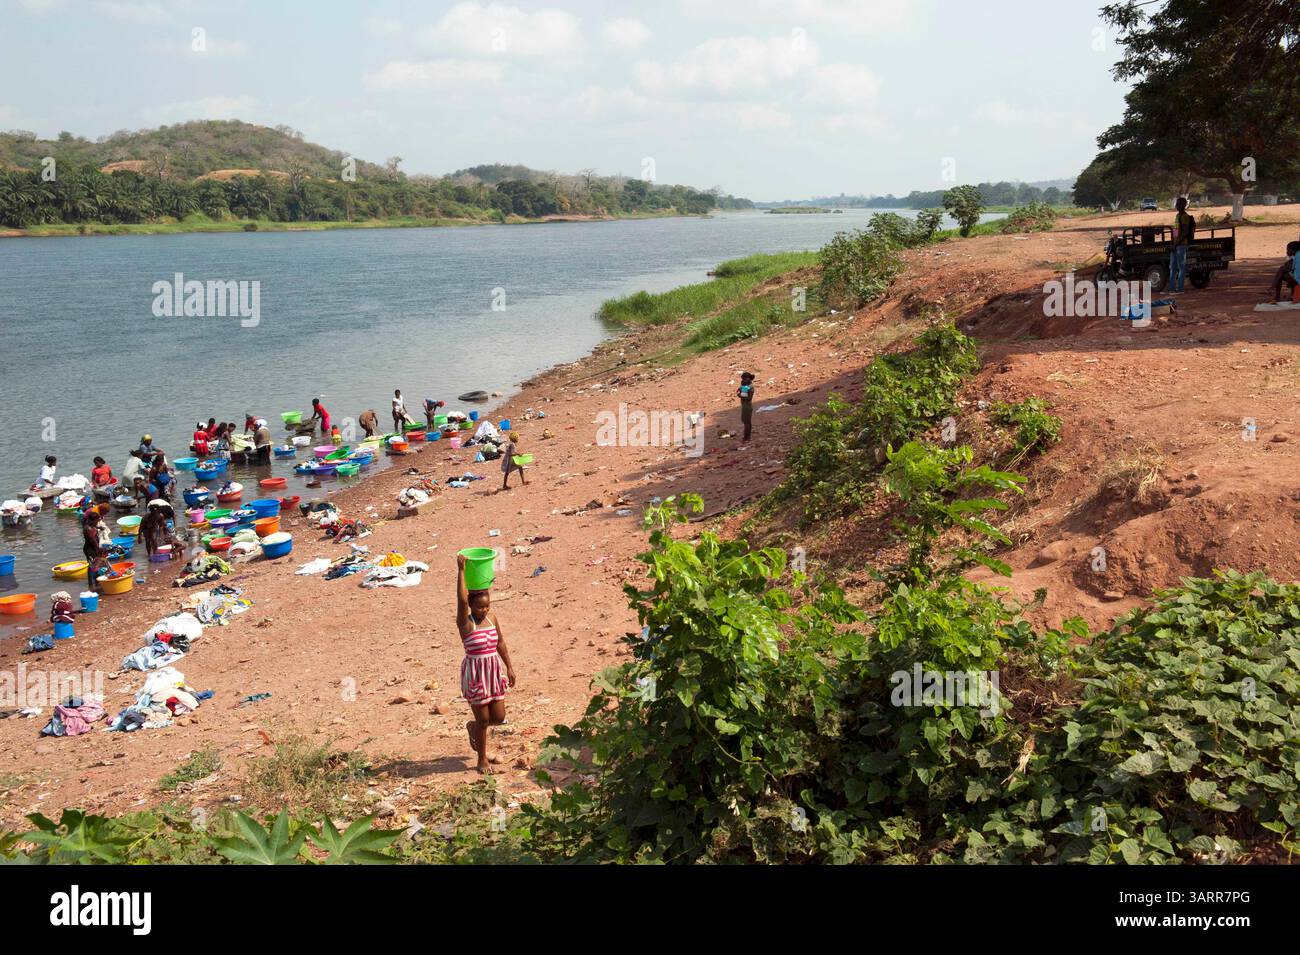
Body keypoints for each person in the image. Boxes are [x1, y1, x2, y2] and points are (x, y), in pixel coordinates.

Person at [456, 552, 517, 773]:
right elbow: (461, 600)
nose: (485, 610)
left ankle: (473, 727)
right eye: (480, 607)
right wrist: (461, 571)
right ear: (472, 607)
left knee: (498, 717)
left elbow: (500, 642)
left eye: (487, 606)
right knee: (483, 719)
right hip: (476, 673)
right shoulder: (466, 623)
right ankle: (482, 760)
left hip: (493, 671)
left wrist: (509, 667)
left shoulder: (492, 619)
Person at [1169, 196, 1195, 293]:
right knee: (1172, 267)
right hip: (1176, 245)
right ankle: (1172, 288)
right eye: (1177, 203)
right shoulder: (1177, 216)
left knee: (1181, 267)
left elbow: (1185, 232)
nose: (1177, 205)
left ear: (1184, 205)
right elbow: (1176, 232)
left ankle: (1180, 288)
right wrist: (1173, 243)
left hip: (1181, 245)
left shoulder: (1184, 217)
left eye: (1179, 204)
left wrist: (1175, 244)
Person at [82, 509, 108, 595]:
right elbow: (93, 541)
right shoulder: (87, 529)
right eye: (97, 521)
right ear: (92, 520)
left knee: (97, 564)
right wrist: (99, 549)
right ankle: (91, 584)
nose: (97, 522)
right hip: (90, 549)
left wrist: (99, 528)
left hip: (94, 548)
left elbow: (95, 528)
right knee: (91, 566)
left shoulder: (91, 525)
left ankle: (97, 581)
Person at [737, 372, 756, 442]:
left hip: (747, 406)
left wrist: (740, 396)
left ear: (748, 378)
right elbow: (741, 389)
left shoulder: (750, 387)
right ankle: (747, 437)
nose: (743, 380)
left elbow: (749, 398)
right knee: (746, 422)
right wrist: (740, 390)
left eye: (744, 379)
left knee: (747, 423)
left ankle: (747, 437)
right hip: (745, 406)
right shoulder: (746, 386)